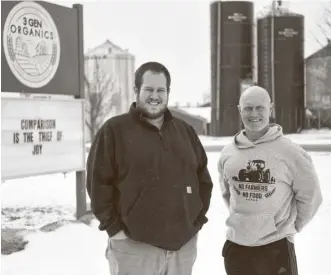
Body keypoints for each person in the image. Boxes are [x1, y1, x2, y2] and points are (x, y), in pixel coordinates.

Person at [86, 61, 213, 275]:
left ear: (168, 92)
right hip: (135, 249)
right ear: (136, 91)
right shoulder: (114, 131)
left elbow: (203, 180)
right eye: (149, 89)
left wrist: (196, 221)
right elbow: (98, 184)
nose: (155, 96)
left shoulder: (185, 131)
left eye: (160, 90)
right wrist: (114, 229)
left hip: (182, 250)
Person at [218, 85, 323, 275]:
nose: (254, 113)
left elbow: (311, 197)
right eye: (248, 108)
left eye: (260, 107)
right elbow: (227, 192)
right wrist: (243, 220)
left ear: (270, 109)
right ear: (239, 110)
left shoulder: (291, 152)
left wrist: (289, 228)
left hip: (275, 248)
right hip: (237, 248)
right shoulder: (228, 153)